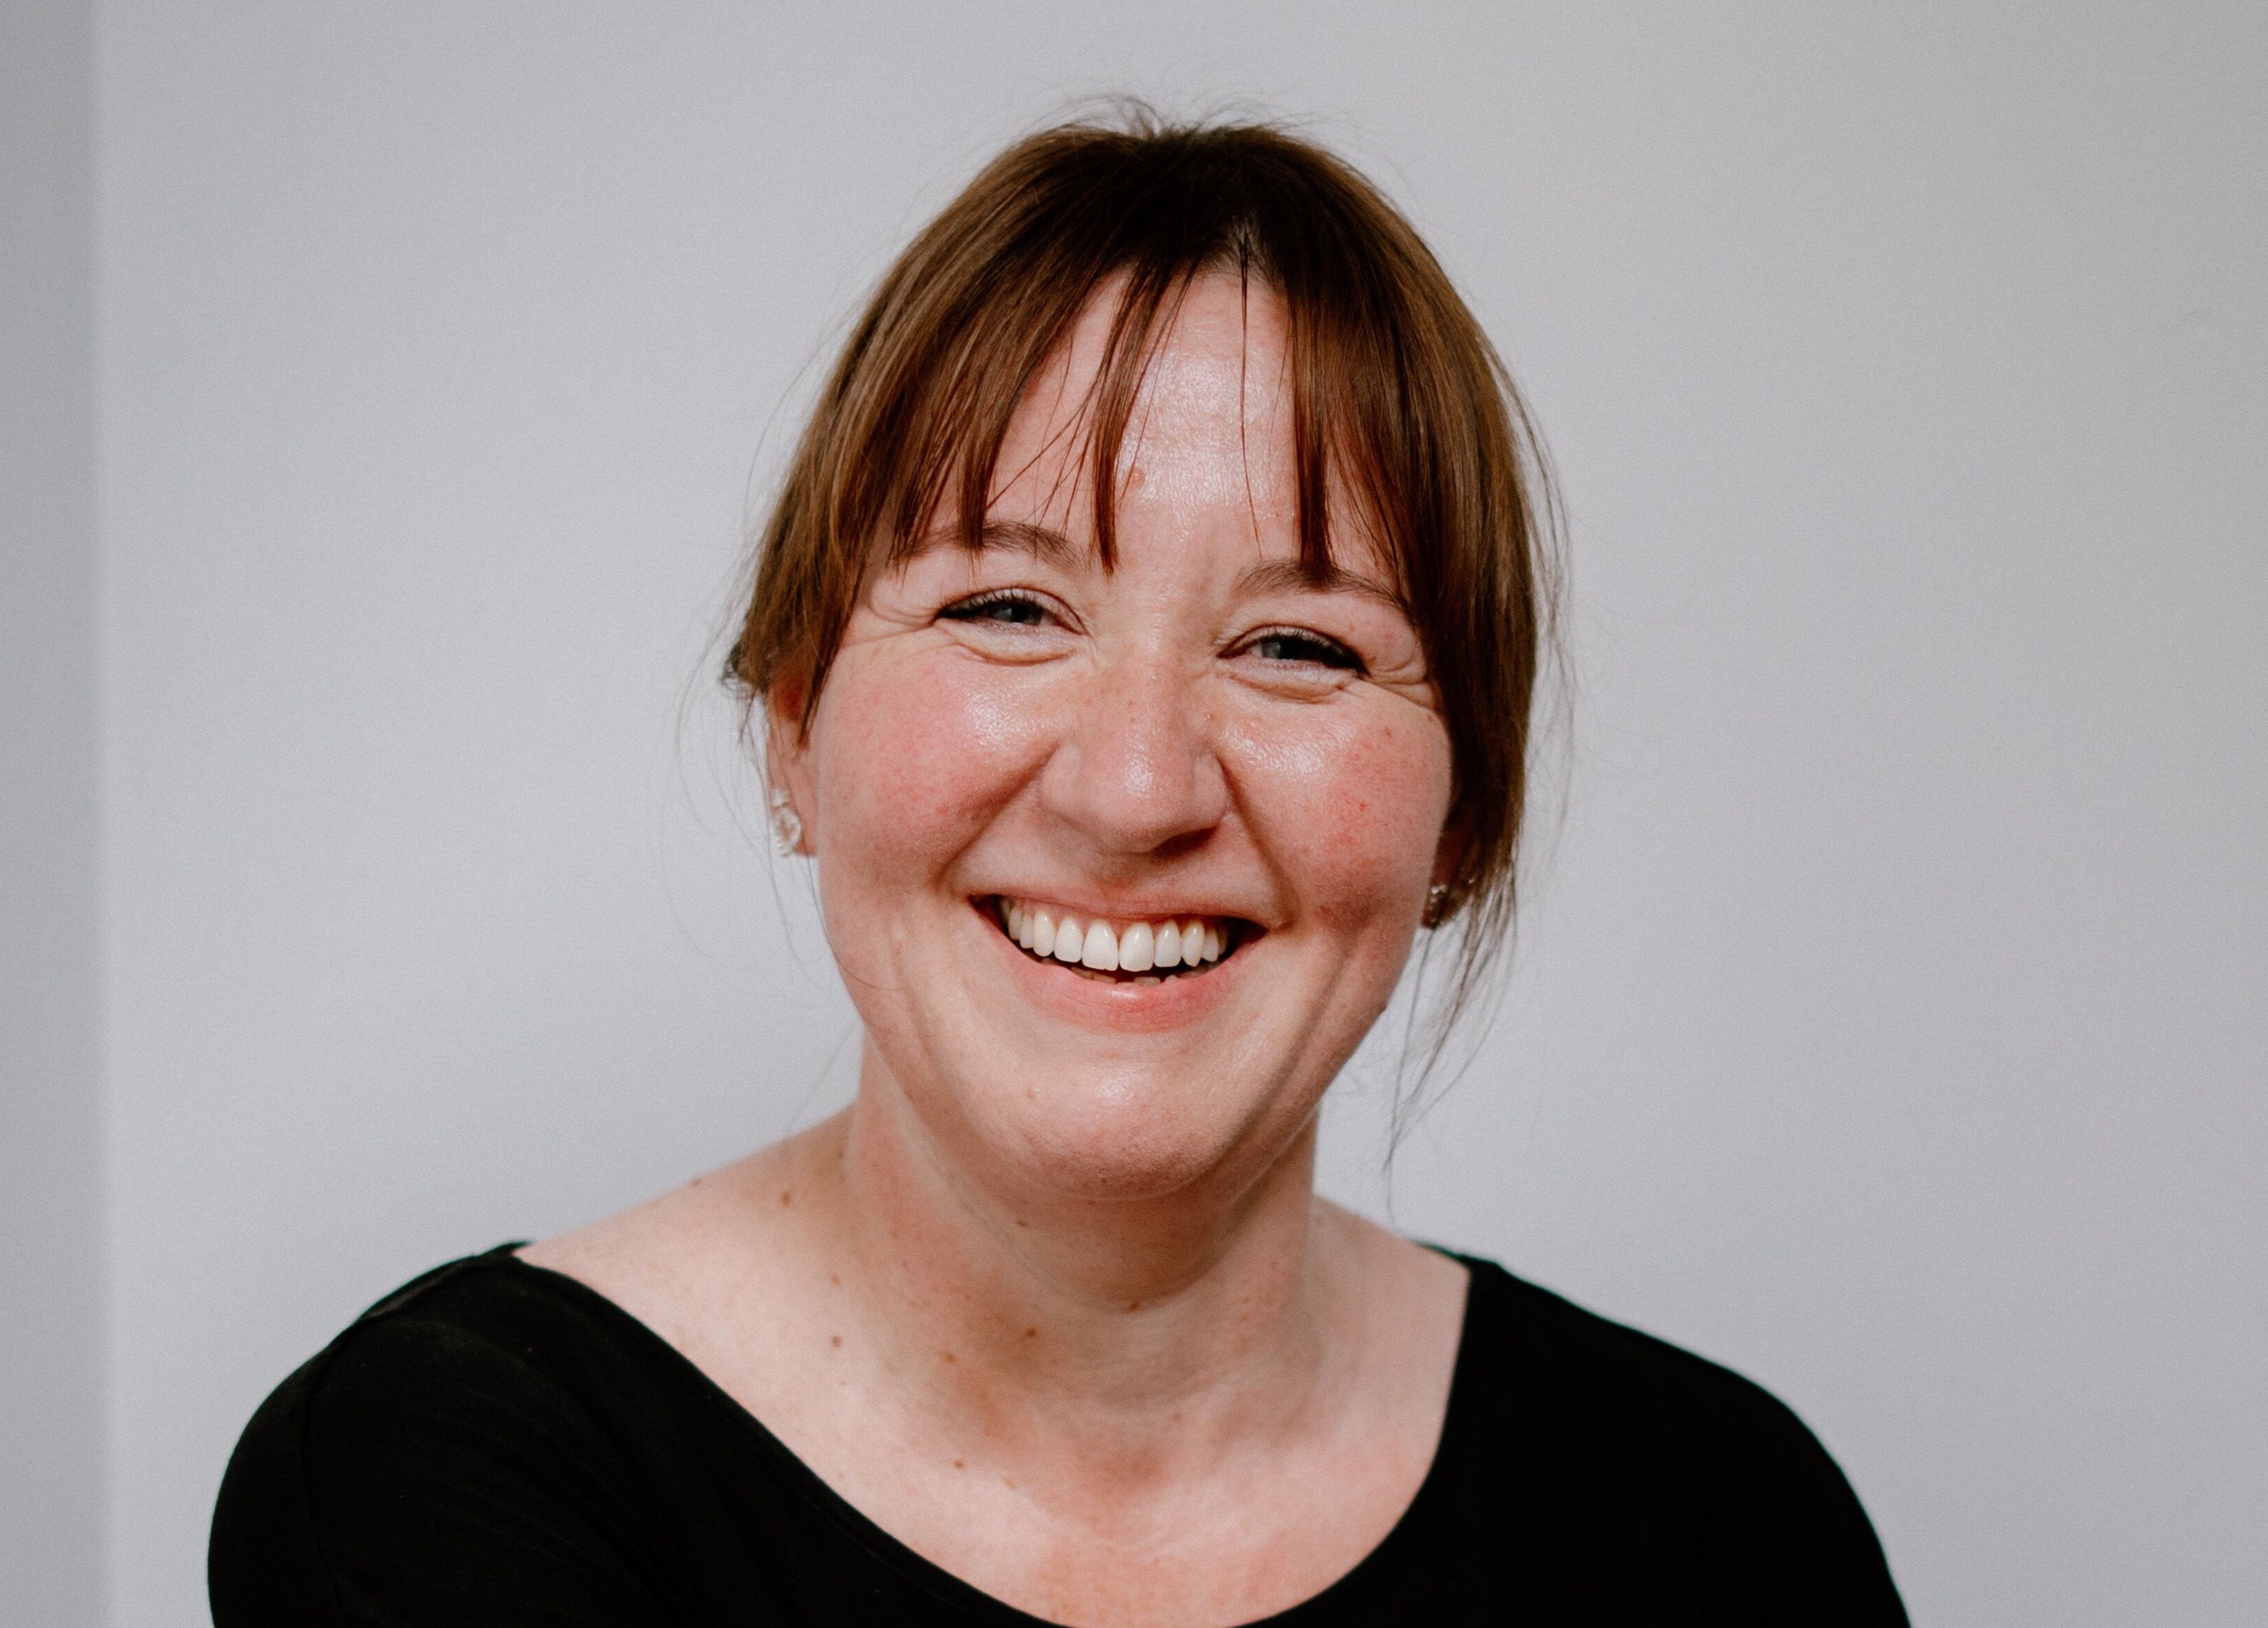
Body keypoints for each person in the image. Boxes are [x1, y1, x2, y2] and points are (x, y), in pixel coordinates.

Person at [210, 112, 1907, 1626]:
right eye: (1006, 610)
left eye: (1301, 645)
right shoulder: (443, 1479)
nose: (1137, 784)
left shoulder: (1717, 1528)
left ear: (1460, 814)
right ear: (795, 728)